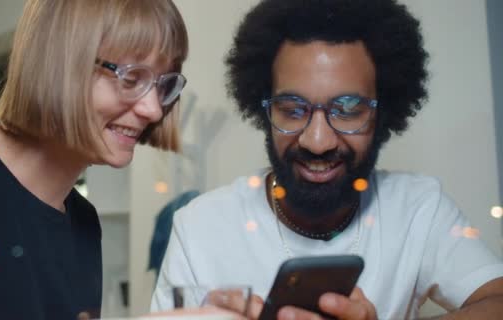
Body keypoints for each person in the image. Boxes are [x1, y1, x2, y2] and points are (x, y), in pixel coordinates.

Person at [151, 0, 503, 319]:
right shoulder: (199, 229)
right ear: (264, 107)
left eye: (347, 110)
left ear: (383, 113)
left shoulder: (418, 209)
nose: (317, 141)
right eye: (292, 110)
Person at [0, 0, 189, 319]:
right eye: (131, 79)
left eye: (163, 86)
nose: (154, 110)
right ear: (62, 65)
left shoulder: (83, 221)